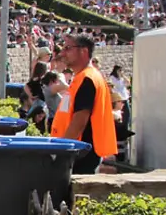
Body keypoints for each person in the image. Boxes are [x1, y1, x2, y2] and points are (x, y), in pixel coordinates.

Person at [50, 33, 117, 175]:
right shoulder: (82, 77)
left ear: (84, 51)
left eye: (68, 48)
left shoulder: (88, 79)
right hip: (77, 151)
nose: (62, 53)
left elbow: (79, 121)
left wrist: (62, 153)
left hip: (80, 154)